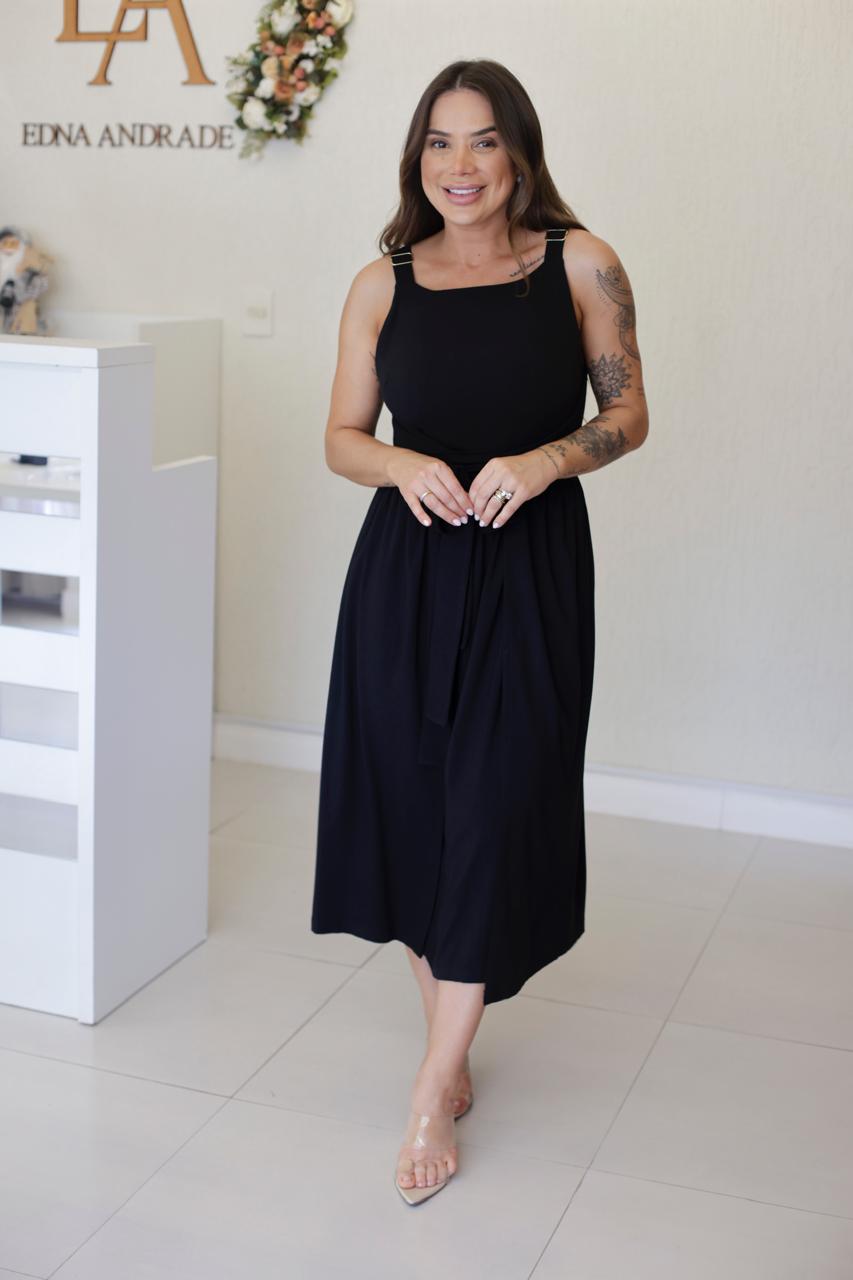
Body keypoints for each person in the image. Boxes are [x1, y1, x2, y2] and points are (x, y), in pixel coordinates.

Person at [310, 58, 649, 1205]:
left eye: (485, 141)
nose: (460, 166)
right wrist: (399, 463)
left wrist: (547, 459)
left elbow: (627, 412)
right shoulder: (381, 282)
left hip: (528, 569)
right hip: (404, 571)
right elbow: (341, 436)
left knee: (497, 804)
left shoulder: (580, 263)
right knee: (414, 805)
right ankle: (450, 1046)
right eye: (439, 143)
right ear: (417, 158)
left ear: (521, 153)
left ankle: (429, 1085)